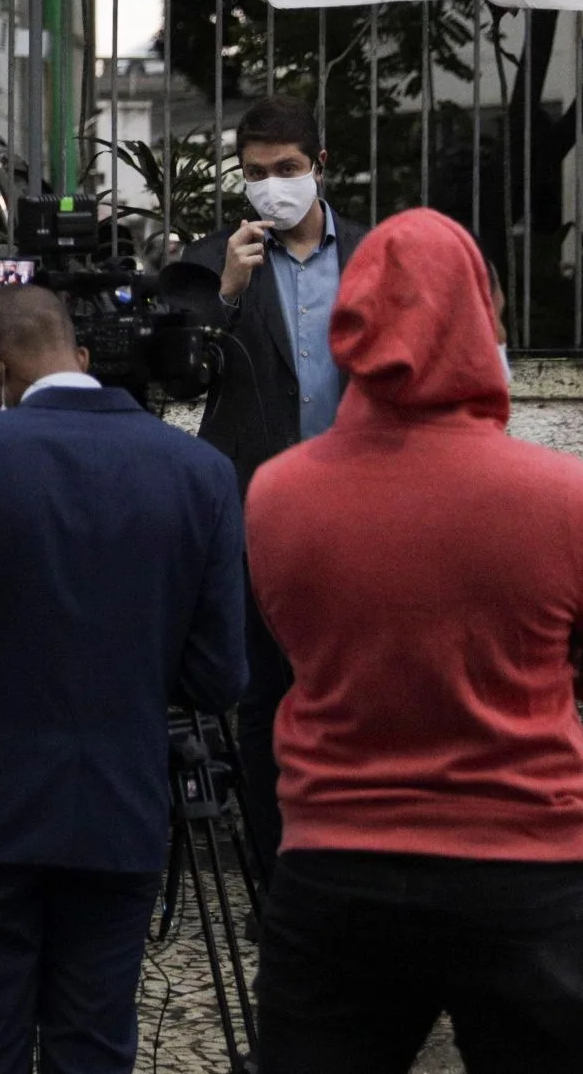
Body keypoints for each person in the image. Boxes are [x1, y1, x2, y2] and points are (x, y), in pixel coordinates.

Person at [246, 210, 583, 1074]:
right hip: (526, 867)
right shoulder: (564, 497)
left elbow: (299, 643)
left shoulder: (277, 495)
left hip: (334, 863)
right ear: (482, 317)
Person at [0, 285, 248, 1074]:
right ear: (80, 356)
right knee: (93, 1046)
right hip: (118, 810)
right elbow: (219, 677)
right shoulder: (200, 471)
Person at [157, 92, 354, 873]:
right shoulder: (210, 263)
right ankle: (277, 877)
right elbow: (181, 382)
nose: (274, 185)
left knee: (351, 698)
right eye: (257, 172)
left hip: (357, 515)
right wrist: (227, 297)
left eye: (289, 169)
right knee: (264, 704)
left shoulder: (370, 254)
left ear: (320, 166)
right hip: (256, 516)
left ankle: (347, 866)